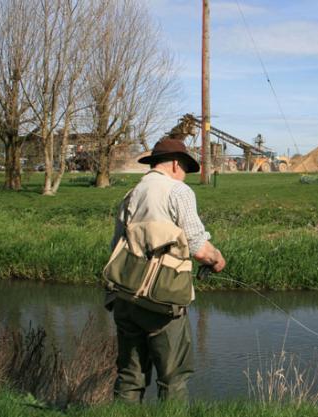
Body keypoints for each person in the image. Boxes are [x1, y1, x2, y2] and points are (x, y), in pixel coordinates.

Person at [107, 138, 225, 403]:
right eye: (184, 168)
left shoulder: (131, 194)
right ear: (175, 163)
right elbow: (198, 247)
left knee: (129, 375)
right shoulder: (178, 191)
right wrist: (217, 260)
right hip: (162, 302)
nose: (184, 175)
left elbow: (116, 246)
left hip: (125, 297)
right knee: (173, 377)